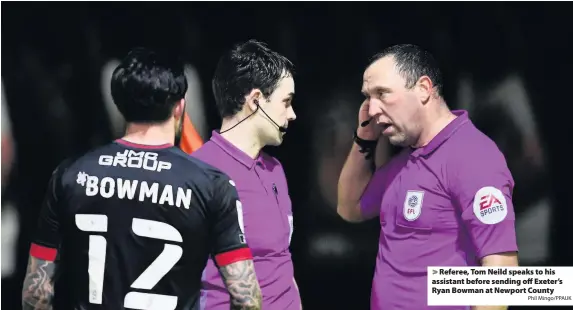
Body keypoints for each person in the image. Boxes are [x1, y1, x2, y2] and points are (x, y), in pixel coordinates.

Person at [21, 47, 262, 310]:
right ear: (180, 107)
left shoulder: (70, 176)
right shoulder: (212, 185)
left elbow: (37, 292)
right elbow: (246, 299)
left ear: (119, 105)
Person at [337, 44, 519, 310]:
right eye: (367, 97)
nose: (371, 108)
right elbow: (349, 208)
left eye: (382, 94)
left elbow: (501, 272)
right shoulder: (407, 160)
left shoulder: (473, 156)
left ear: (423, 89)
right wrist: (365, 137)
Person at [192, 39, 300, 309]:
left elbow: (281, 261)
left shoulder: (275, 170)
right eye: (286, 102)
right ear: (255, 101)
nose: (293, 114)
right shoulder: (199, 172)